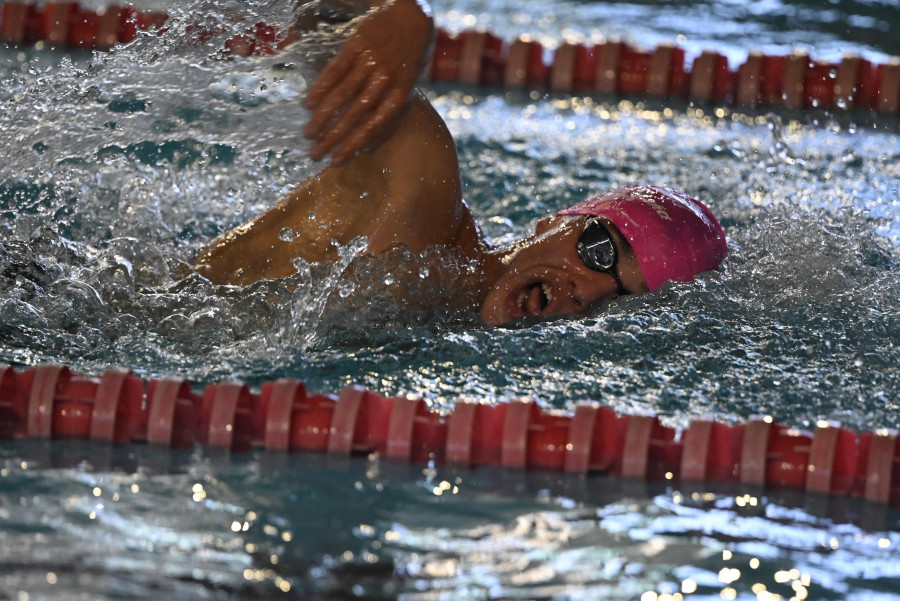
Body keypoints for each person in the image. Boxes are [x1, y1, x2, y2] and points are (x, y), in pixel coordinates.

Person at [193, 0, 728, 325]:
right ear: (557, 220)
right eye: (597, 249)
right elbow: (316, 24)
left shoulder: (456, 328)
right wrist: (401, 11)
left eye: (621, 300)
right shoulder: (418, 191)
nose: (584, 291)